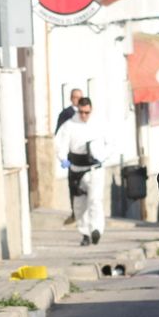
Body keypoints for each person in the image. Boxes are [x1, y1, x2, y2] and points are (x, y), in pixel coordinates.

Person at [55, 97, 107, 245]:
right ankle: (85, 233)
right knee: (79, 204)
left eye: (87, 112)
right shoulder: (69, 125)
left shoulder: (99, 124)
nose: (84, 115)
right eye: (81, 112)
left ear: (91, 110)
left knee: (95, 200)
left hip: (94, 169)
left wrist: (102, 155)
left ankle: (96, 229)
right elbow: (60, 144)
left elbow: (111, 143)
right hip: (76, 169)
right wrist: (62, 158)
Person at [55, 88, 83, 224]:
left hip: (86, 157)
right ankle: (75, 212)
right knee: (74, 184)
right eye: (76, 97)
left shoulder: (86, 114)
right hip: (73, 156)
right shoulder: (66, 114)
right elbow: (59, 136)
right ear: (71, 98)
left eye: (80, 97)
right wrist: (62, 157)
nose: (78, 100)